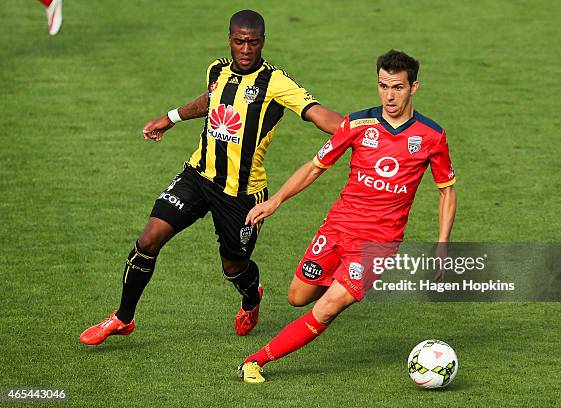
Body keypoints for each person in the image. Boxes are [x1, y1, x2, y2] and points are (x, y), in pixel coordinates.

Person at [79, 10, 342, 345]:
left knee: (234, 266)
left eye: (253, 42)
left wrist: (363, 131)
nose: (246, 48)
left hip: (241, 194)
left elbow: (319, 114)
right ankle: (123, 318)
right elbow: (211, 100)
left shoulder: (276, 83)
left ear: (263, 42)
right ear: (230, 39)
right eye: (239, 41)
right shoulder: (216, 69)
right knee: (148, 240)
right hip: (198, 175)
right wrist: (170, 117)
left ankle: (251, 297)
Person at [239, 50, 457, 383]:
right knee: (297, 297)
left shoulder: (431, 135)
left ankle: (255, 361)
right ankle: (339, 285)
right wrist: (277, 201)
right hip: (338, 227)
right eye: (383, 86)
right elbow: (315, 167)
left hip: (377, 245)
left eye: (397, 87)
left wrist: (443, 244)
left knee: (327, 307)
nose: (389, 95)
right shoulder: (356, 124)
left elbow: (446, 191)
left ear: (414, 88)